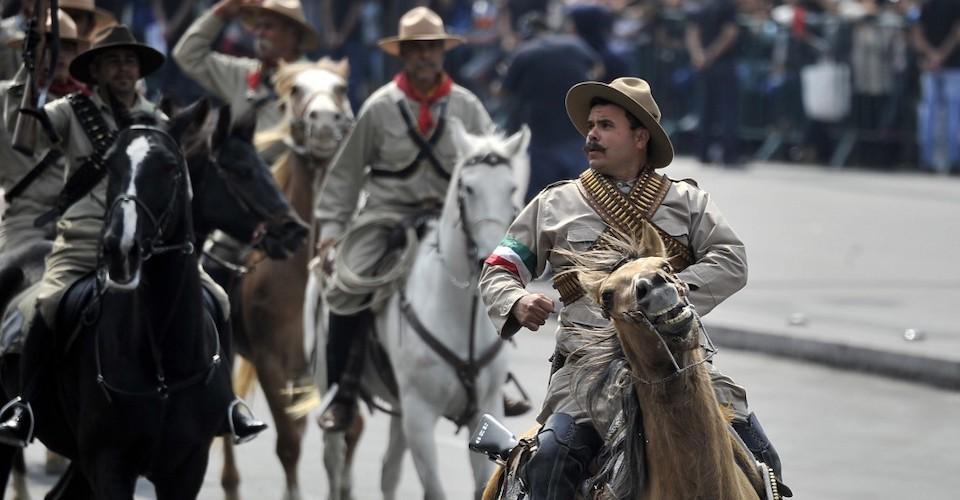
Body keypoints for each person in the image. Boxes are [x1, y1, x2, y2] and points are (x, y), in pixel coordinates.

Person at [478, 77, 790, 499]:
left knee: (762, 460)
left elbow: (731, 260)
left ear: (640, 137)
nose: (591, 134)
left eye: (606, 125)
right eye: (591, 125)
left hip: (680, 365)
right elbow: (500, 266)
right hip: (587, 379)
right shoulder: (554, 204)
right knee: (550, 460)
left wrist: (661, 296)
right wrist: (515, 300)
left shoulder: (687, 202)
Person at [0, 25, 266, 447]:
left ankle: (225, 402)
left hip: (148, 244)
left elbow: (181, 188)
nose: (122, 69)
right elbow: (24, 133)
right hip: (86, 239)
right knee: (46, 304)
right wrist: (28, 78)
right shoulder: (71, 111)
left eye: (129, 61)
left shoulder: (160, 121)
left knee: (216, 298)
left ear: (139, 69)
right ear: (98, 71)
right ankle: (26, 406)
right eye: (112, 62)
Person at [313, 6, 494, 432]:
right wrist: (332, 231)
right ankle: (342, 390)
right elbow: (344, 176)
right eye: (416, 49)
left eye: (432, 48)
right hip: (386, 216)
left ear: (443, 52)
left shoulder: (468, 107)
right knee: (345, 289)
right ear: (403, 54)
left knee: (492, 283)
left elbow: (492, 167)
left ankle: (494, 379)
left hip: (450, 221)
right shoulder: (379, 107)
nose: (425, 56)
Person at [1, 9, 87, 263]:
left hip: (83, 224)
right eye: (48, 46)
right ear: (31, 52)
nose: (60, 55)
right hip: (26, 223)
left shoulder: (91, 106)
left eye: (68, 47)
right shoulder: (5, 96)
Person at [172, 0, 320, 133]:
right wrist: (219, 13)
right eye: (258, 26)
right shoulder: (243, 73)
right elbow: (187, 55)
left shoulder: (316, 80)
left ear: (292, 33)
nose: (259, 33)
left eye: (268, 26)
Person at [500, 12, 601, 201]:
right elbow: (598, 68)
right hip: (576, 131)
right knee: (581, 196)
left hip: (543, 136)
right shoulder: (574, 44)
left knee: (540, 200)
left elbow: (504, 91)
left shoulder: (524, 52)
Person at [686, 0, 742, 166]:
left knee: (705, 109)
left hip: (703, 64)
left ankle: (703, 152)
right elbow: (729, 33)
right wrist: (710, 55)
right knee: (727, 110)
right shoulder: (727, 5)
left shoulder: (700, 5)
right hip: (723, 63)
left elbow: (692, 32)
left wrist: (698, 55)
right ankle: (729, 154)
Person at [912, 0, 960, 173]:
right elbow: (957, 33)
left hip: (931, 64)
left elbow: (917, 33)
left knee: (929, 113)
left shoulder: (925, 4)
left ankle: (927, 160)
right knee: (952, 114)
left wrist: (931, 55)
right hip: (952, 63)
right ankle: (954, 161)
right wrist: (941, 55)